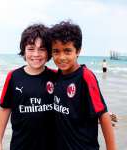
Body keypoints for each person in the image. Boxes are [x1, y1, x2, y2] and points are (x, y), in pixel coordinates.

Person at [50, 21, 116, 150]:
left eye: (67, 51)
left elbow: (103, 115)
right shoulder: (55, 77)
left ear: (78, 51)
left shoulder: (86, 76)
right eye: (56, 51)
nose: (61, 57)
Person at [0, 24, 56, 150]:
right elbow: (5, 109)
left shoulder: (55, 77)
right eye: (31, 49)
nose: (36, 54)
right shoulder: (13, 76)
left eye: (42, 49)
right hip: (20, 145)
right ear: (24, 50)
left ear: (49, 52)